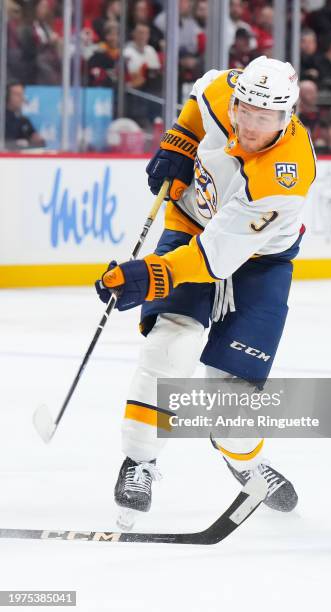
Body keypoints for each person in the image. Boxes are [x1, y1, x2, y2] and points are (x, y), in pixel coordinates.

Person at [95, 57, 316, 528]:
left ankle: (245, 463)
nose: (252, 125)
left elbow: (213, 257)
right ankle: (139, 462)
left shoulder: (286, 174)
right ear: (237, 100)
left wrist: (145, 275)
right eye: (246, 111)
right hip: (190, 220)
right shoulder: (223, 90)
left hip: (258, 261)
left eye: (266, 118)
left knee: (232, 392)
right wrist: (180, 139)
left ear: (287, 116)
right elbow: (201, 92)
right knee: (170, 347)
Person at [5, 81, 45, 150]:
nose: (21, 98)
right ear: (7, 96)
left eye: (22, 94)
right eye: (17, 94)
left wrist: (36, 140)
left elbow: (37, 140)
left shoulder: (24, 120)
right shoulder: (2, 119)